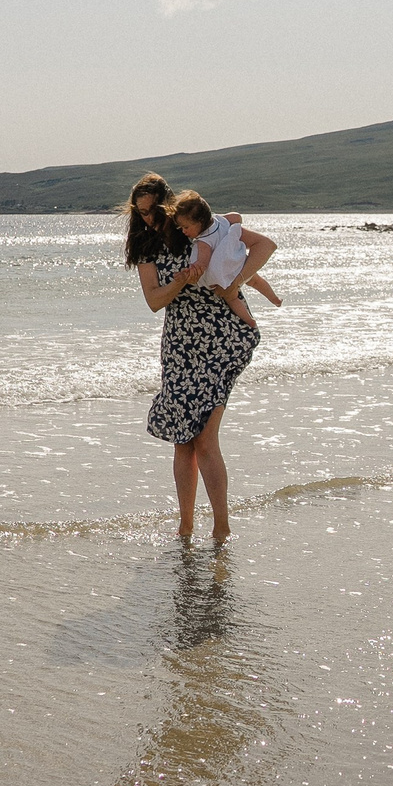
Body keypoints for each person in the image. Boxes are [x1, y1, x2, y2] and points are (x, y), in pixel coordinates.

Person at [124, 173, 277, 543]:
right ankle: (186, 526)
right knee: (183, 439)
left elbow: (262, 246)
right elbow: (155, 301)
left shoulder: (198, 227)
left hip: (220, 340)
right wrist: (181, 280)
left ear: (168, 203)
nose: (148, 219)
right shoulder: (145, 245)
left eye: (153, 210)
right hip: (180, 345)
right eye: (140, 212)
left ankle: (221, 527)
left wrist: (235, 282)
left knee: (205, 438)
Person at [168, 189, 281, 330]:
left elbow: (202, 263)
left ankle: (250, 321)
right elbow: (237, 217)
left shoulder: (203, 241)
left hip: (224, 273)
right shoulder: (221, 221)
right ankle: (274, 298)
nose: (183, 231)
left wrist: (191, 271)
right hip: (238, 263)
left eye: (186, 227)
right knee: (256, 280)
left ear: (200, 221)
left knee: (232, 298)